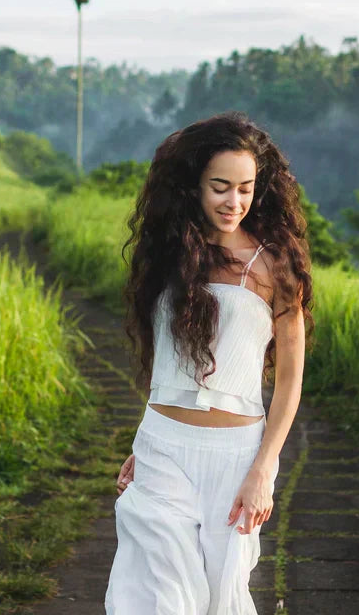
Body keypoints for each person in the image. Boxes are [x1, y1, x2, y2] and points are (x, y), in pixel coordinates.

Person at [104, 111, 314, 614]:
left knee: (222, 598)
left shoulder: (275, 265)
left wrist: (264, 469)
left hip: (236, 456)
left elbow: (290, 380)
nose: (233, 202)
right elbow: (166, 357)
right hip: (162, 448)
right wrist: (143, 440)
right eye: (220, 187)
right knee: (159, 597)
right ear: (193, 185)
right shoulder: (167, 253)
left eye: (245, 189)